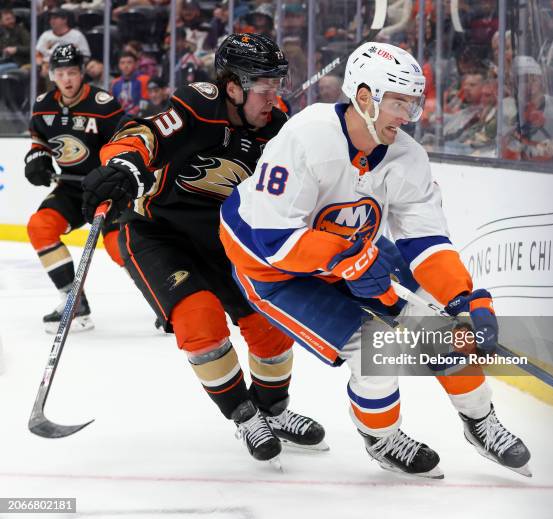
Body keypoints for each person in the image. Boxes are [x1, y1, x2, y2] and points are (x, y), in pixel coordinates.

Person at [219, 42, 531, 478]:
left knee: (444, 329)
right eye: (398, 102)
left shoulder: (407, 157)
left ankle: (480, 421)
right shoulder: (307, 136)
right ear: (364, 96)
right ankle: (383, 439)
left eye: (412, 103)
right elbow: (273, 238)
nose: (407, 115)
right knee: (374, 351)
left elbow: (426, 243)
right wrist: (348, 262)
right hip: (271, 267)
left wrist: (464, 299)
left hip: (350, 248)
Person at [80, 33, 327, 463]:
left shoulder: (281, 128)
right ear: (232, 87)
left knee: (270, 326)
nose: (274, 95)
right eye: (263, 86)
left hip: (229, 240)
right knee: (200, 320)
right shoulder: (199, 107)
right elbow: (146, 134)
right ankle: (245, 415)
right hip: (161, 234)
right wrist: (122, 163)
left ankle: (273, 410)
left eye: (277, 84)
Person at [25, 44, 124, 333]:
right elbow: (40, 140)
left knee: (121, 248)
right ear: (51, 74)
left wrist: (113, 176)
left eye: (72, 72)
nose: (66, 79)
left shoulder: (103, 104)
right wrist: (37, 157)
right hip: (72, 187)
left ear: (82, 73)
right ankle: (73, 300)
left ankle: (168, 303)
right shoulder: (43, 104)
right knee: (40, 227)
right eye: (60, 73)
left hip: (109, 189)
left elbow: (125, 144)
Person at [111, 51, 150, 116]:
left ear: (136, 64)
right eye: (122, 63)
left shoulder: (145, 79)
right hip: (120, 118)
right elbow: (113, 104)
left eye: (129, 62)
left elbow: (146, 101)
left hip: (140, 117)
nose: (126, 66)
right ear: (119, 65)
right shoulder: (115, 82)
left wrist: (133, 113)